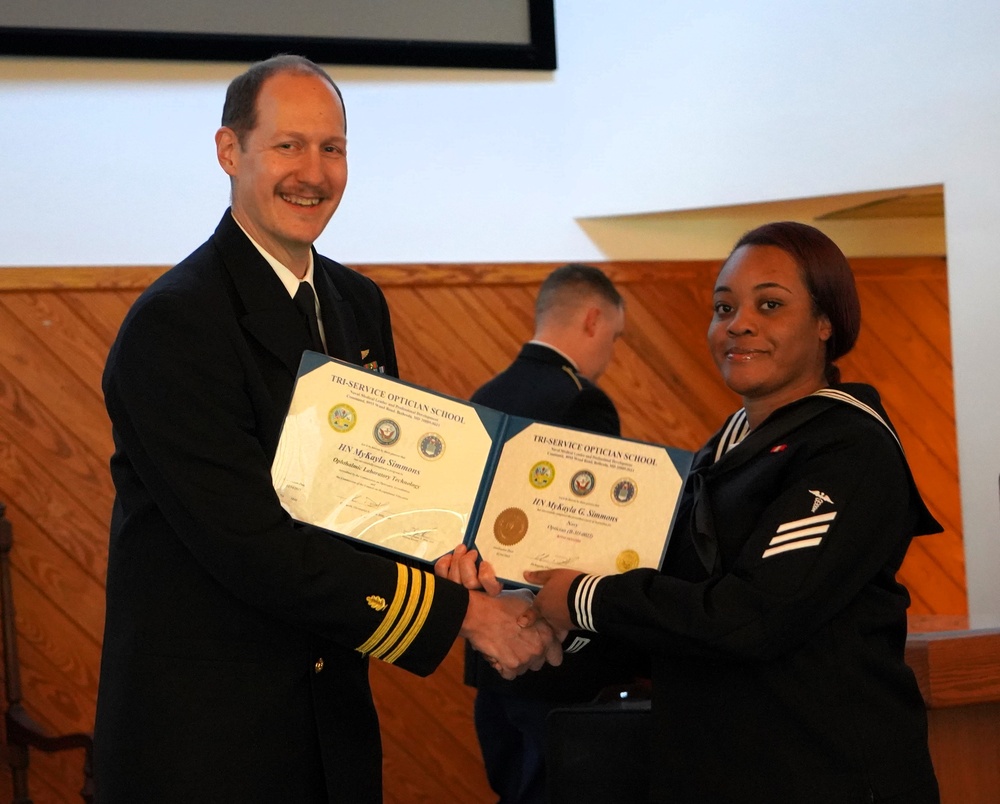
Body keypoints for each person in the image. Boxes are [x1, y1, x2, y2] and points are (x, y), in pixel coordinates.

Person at [93, 55, 560, 804]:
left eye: (332, 148)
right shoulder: (175, 325)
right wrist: (468, 616)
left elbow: (387, 501)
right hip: (206, 751)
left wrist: (469, 560)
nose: (313, 172)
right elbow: (255, 547)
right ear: (228, 151)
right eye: (287, 146)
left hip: (329, 736)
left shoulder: (355, 304)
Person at [526, 222, 942, 803]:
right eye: (724, 307)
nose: (738, 323)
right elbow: (665, 607)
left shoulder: (850, 449)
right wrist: (543, 626)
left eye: (770, 305)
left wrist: (584, 598)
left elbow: (753, 616)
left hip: (825, 775)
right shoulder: (719, 452)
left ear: (826, 323)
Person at [456, 264, 646, 803]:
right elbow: (592, 536)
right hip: (553, 655)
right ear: (592, 319)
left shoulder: (485, 394)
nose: (610, 355)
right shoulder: (580, 401)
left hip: (489, 655)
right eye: (614, 337)